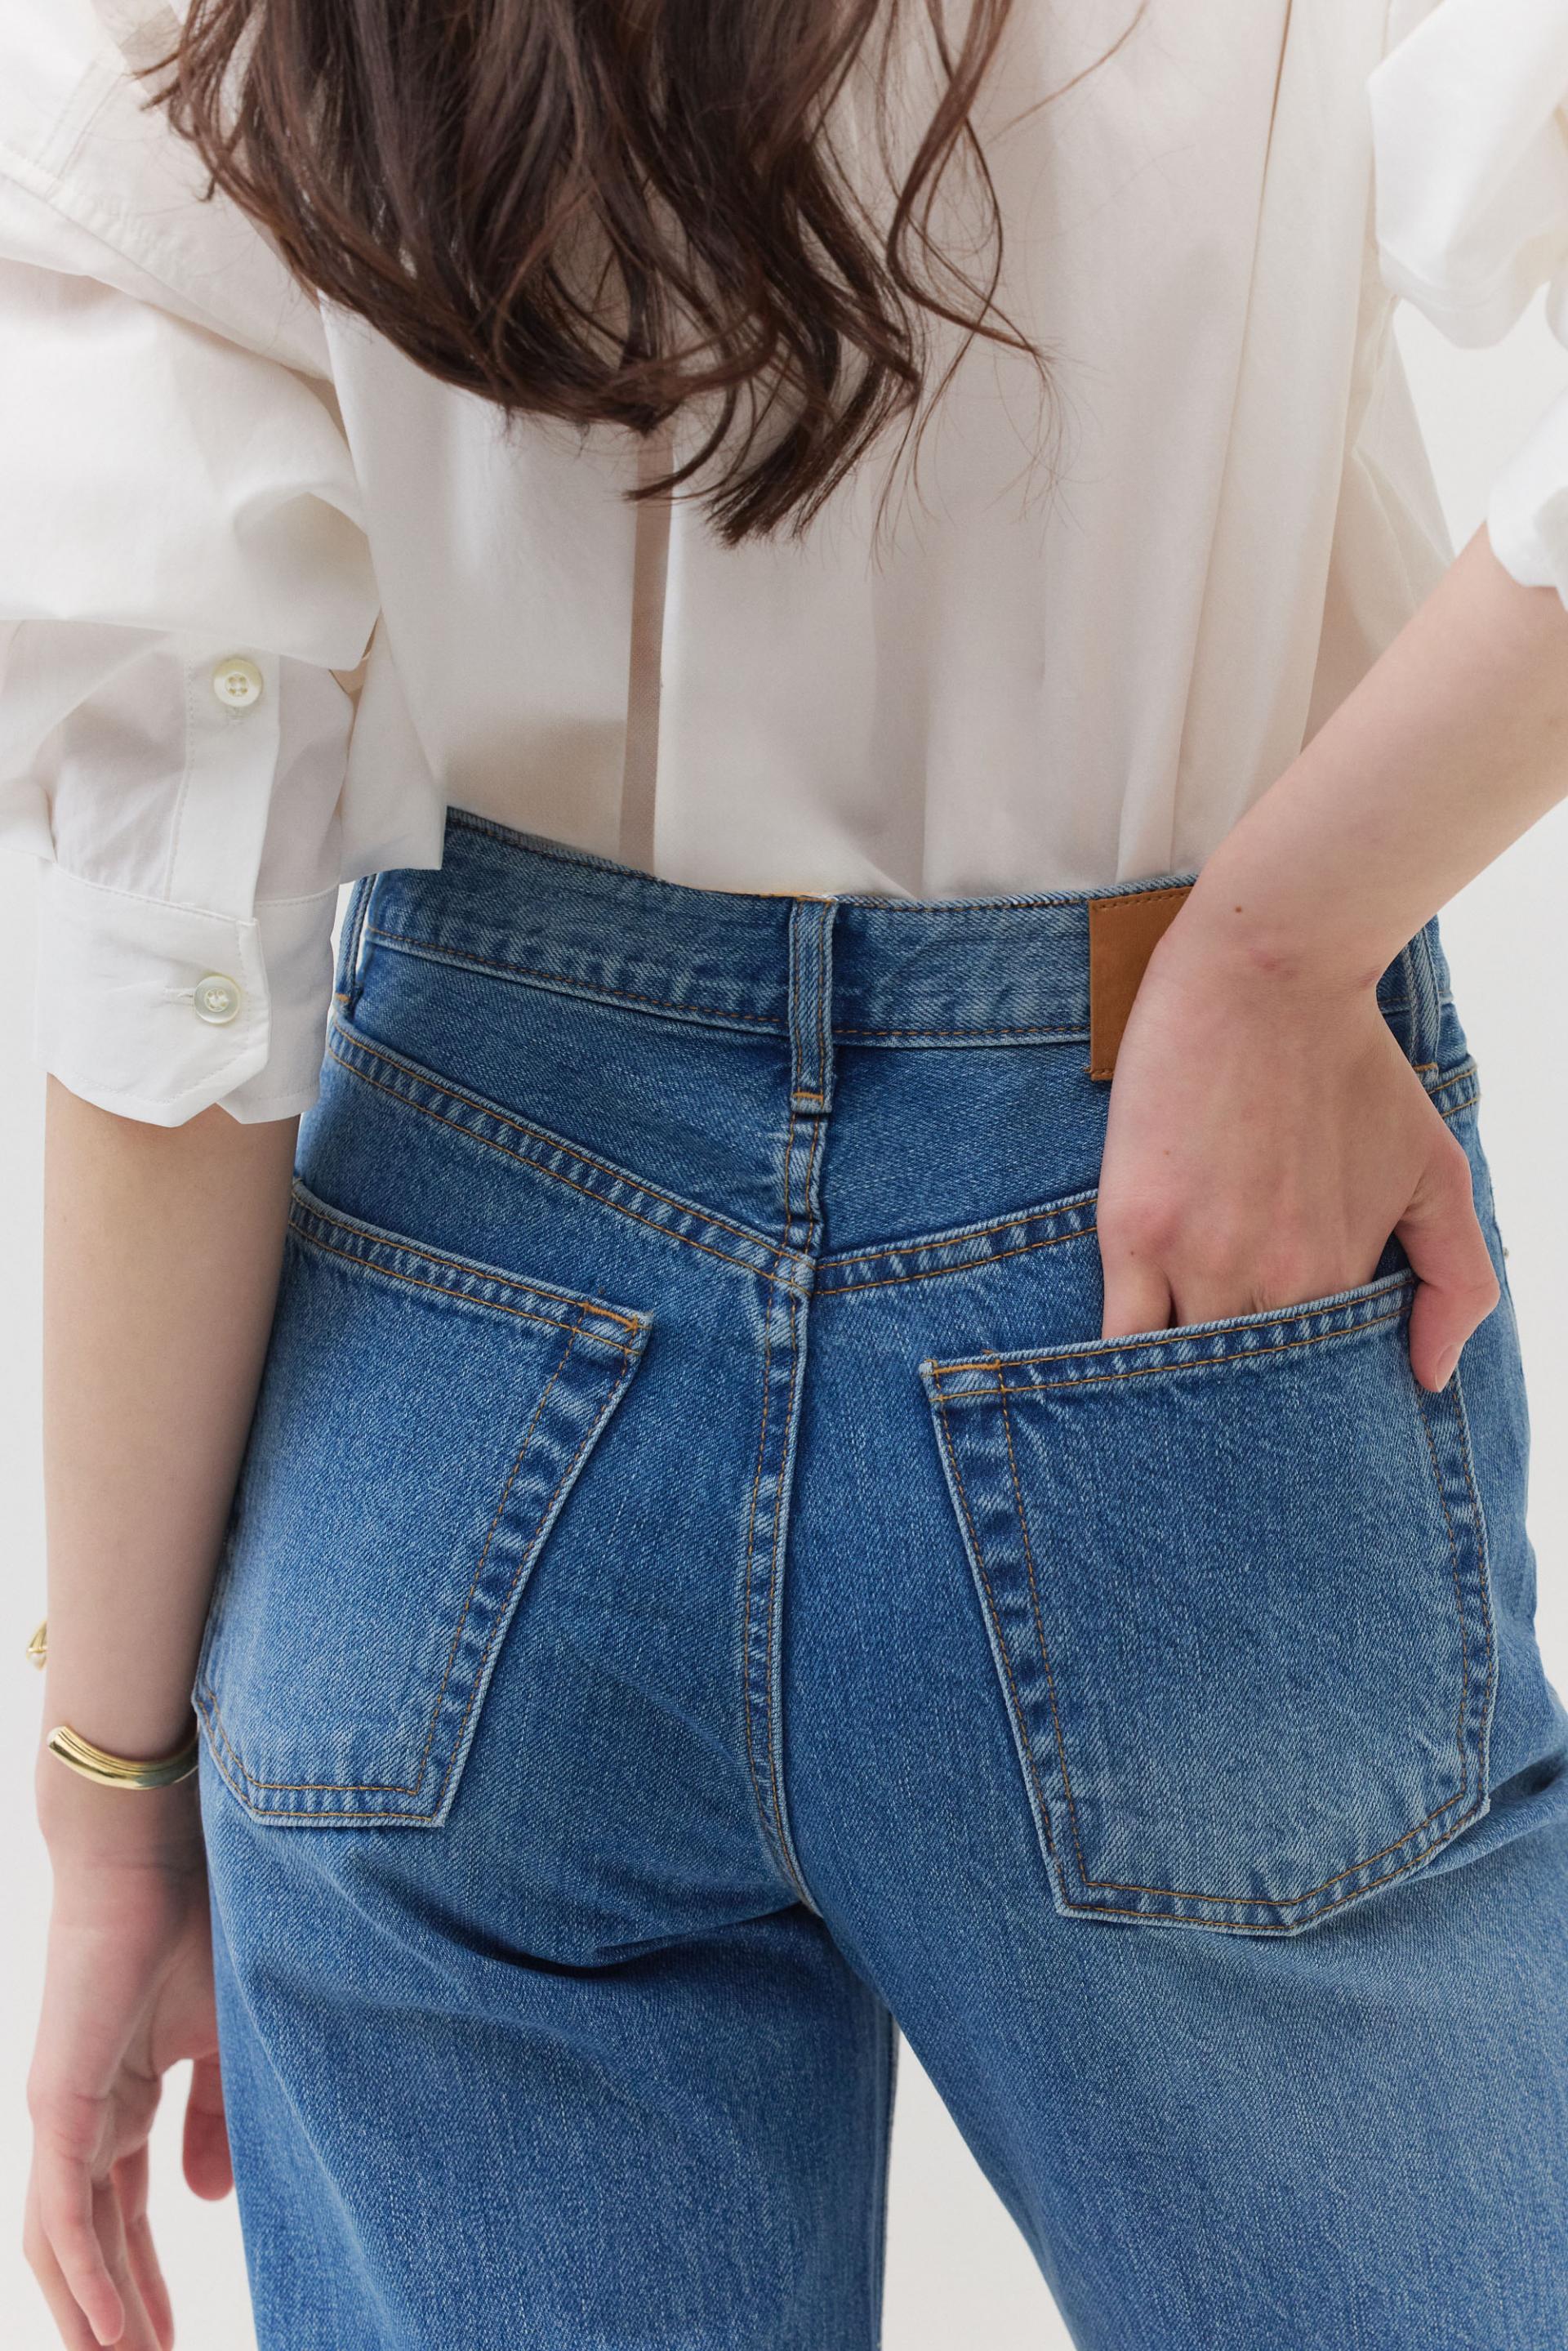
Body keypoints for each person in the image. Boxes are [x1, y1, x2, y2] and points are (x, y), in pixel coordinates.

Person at [7, 0, 1568, 2343]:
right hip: (1159, 1264)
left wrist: (112, 1786)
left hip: (460, 1371)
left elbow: (182, 967)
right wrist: (1277, 948)